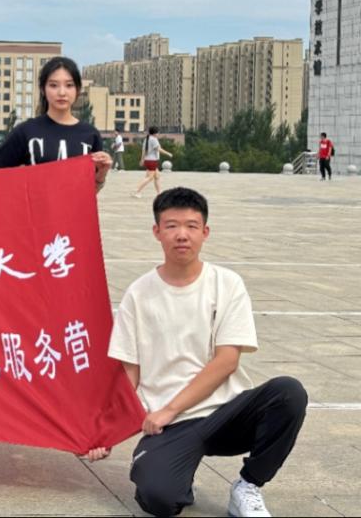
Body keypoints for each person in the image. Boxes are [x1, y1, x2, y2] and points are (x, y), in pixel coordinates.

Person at [85, 187, 307, 517]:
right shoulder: (138, 294)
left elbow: (227, 361)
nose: (182, 235)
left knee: (288, 392)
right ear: (157, 232)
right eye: (171, 226)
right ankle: (177, 473)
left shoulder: (227, 284)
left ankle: (248, 485)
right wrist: (105, 433)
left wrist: (169, 409)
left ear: (205, 232)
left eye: (191, 226)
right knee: (158, 500)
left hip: (226, 412)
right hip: (171, 425)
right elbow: (129, 373)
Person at [0, 56, 112, 191]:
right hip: (36, 211)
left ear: (77, 90)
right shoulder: (27, 131)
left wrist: (102, 173)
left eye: (69, 85)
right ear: (43, 89)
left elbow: (89, 193)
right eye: (53, 85)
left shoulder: (90, 135)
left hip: (75, 213)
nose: (62, 92)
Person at [132, 126, 172, 198]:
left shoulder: (147, 139)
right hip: (152, 161)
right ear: (154, 133)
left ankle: (159, 193)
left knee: (157, 176)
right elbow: (159, 149)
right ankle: (137, 191)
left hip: (148, 160)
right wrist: (168, 153)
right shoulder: (154, 139)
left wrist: (142, 160)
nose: (158, 134)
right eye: (158, 133)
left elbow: (144, 151)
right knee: (149, 178)